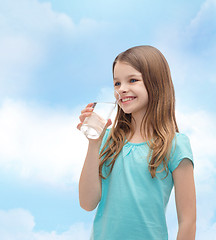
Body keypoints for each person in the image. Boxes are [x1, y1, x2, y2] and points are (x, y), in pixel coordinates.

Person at [77, 45, 196, 240]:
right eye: (116, 83)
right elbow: (87, 203)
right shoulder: (106, 140)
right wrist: (93, 144)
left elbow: (188, 221)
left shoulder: (176, 145)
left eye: (132, 80)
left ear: (156, 83)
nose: (122, 89)